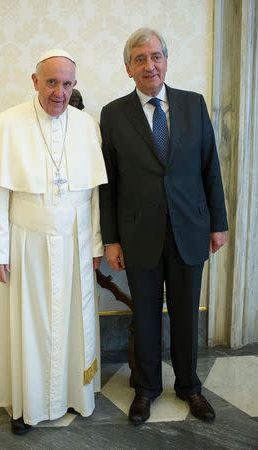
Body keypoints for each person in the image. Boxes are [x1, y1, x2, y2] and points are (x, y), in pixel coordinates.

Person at [0, 49, 107, 434]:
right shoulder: (6, 125)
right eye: (51, 82)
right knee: (28, 324)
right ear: (35, 81)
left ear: (74, 86)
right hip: (25, 246)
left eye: (67, 84)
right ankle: (26, 404)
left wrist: (95, 244)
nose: (59, 93)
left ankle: (74, 396)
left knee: (71, 322)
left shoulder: (86, 126)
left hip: (75, 244)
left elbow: (94, 194)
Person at [99, 28, 228, 424]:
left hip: (191, 228)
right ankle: (146, 388)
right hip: (139, 234)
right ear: (128, 68)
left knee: (187, 313)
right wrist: (111, 239)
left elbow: (210, 168)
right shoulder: (114, 114)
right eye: (139, 59)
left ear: (167, 61)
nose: (149, 65)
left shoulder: (193, 104)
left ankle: (190, 386)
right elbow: (109, 182)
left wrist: (218, 223)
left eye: (155, 56)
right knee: (147, 314)